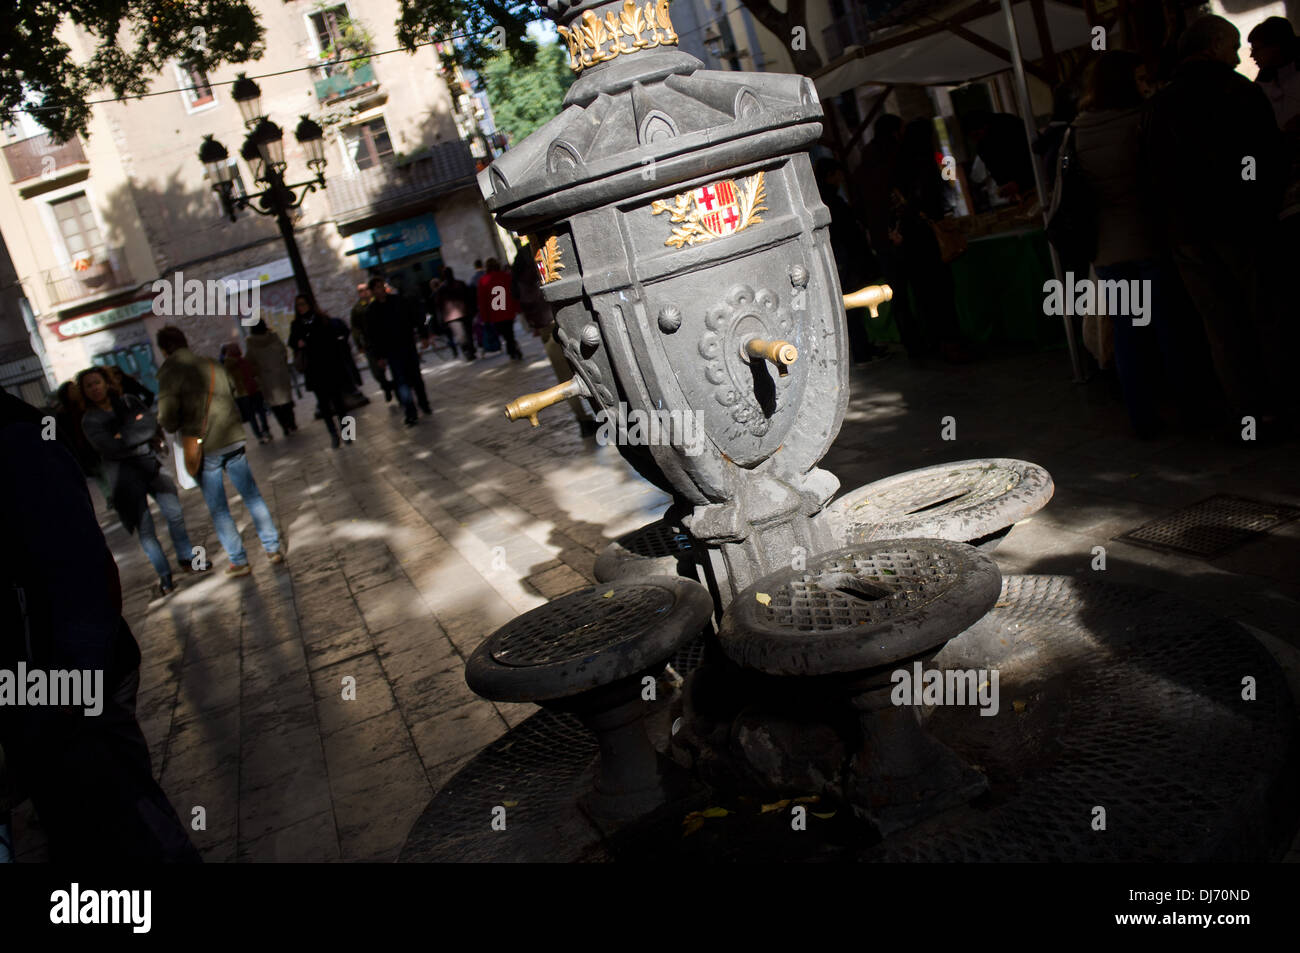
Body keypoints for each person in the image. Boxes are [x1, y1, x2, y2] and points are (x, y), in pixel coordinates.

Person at [0, 389, 201, 862]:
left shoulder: (15, 438)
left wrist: (70, 685)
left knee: (127, 814)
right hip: (35, 689)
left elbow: (81, 571)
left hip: (63, 684)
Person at [1142, 14, 1286, 424]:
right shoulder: (1237, 91)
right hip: (1241, 223)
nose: (1239, 54)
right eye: (1233, 44)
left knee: (1221, 325)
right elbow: (1265, 157)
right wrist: (1263, 205)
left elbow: (1152, 174)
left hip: (1187, 231)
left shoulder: (1160, 103)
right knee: (1264, 316)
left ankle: (1250, 414)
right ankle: (1281, 405)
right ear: (1213, 45)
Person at [1074, 51, 1204, 437]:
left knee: (1128, 334)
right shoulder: (1144, 119)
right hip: (1151, 240)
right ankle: (1191, 410)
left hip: (1108, 249)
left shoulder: (1077, 130)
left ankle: (1142, 418)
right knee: (1171, 329)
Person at [155, 325, 283, 576]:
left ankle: (239, 560)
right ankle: (273, 548)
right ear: (184, 342)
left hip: (204, 446)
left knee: (219, 508)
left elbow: (168, 420)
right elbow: (233, 390)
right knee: (252, 495)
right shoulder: (211, 363)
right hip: (232, 437)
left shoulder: (169, 374)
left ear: (164, 349)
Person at [79, 366, 204, 597]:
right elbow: (109, 447)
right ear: (84, 392)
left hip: (151, 468)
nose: (94, 388)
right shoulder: (90, 420)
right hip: (126, 479)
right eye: (88, 386)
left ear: (106, 382)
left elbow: (149, 426)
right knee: (146, 530)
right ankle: (165, 576)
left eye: (97, 382)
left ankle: (187, 557)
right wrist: (134, 436)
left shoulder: (128, 401)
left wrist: (124, 437)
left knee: (175, 513)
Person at [888, 118, 970, 363]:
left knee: (924, 295)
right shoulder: (925, 164)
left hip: (911, 241)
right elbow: (936, 199)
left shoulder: (898, 164)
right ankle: (951, 343)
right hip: (928, 237)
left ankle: (935, 342)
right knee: (941, 292)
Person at [815, 157, 885, 365]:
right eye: (837, 173)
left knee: (852, 306)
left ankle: (861, 348)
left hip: (842, 259)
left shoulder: (827, 199)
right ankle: (861, 350)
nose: (841, 178)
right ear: (830, 176)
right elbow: (846, 232)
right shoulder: (832, 201)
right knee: (852, 306)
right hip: (844, 259)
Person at [288, 295, 355, 449]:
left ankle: (348, 433)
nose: (301, 307)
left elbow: (335, 338)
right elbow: (292, 342)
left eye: (303, 304)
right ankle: (333, 434)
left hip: (330, 366)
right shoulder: (297, 324)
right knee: (324, 406)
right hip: (314, 370)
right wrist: (298, 343)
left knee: (339, 403)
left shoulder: (322, 319)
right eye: (298, 305)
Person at [367, 276, 432, 426]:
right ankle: (411, 412)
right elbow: (372, 336)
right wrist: (379, 357)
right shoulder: (371, 311)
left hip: (407, 345)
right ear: (372, 291)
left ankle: (424, 403)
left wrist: (424, 335)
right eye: (376, 288)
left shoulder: (399, 301)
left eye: (380, 286)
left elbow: (415, 318)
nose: (380, 290)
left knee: (416, 377)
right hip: (391, 351)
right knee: (401, 381)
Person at [964, 110, 1036, 201]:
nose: (977, 139)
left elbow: (1030, 155)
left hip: (1038, 180)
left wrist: (1019, 183)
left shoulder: (1009, 125)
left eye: (977, 134)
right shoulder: (983, 146)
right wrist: (1005, 186)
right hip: (1022, 192)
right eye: (973, 138)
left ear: (985, 126)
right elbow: (996, 171)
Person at [245, 320, 297, 437]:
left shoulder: (251, 343)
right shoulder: (274, 337)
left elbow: (250, 360)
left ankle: (284, 426)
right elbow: (283, 352)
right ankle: (291, 422)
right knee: (286, 400)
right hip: (280, 374)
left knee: (274, 404)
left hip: (265, 377)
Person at [221, 341, 271, 445]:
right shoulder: (244, 361)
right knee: (261, 411)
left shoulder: (227, 366)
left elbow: (228, 381)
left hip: (242, 393)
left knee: (251, 416)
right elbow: (254, 372)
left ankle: (259, 436)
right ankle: (266, 430)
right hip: (254, 389)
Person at [350, 283, 393, 402]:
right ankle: (387, 386)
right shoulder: (357, 309)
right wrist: (359, 343)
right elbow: (355, 328)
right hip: (370, 344)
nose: (363, 293)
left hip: (385, 340)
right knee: (377, 372)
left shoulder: (378, 303)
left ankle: (397, 388)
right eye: (360, 291)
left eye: (365, 290)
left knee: (394, 367)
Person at [477, 257, 523, 360]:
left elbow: (482, 300)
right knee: (509, 332)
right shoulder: (506, 276)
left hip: (496, 312)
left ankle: (512, 349)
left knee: (505, 333)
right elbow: (513, 293)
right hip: (507, 310)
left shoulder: (483, 280)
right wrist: (517, 307)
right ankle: (512, 348)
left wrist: (485, 317)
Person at [434, 267, 477, 361]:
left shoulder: (448, 287)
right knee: (464, 334)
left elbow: (438, 305)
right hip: (457, 314)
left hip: (457, 314)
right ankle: (468, 350)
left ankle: (469, 350)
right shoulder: (446, 288)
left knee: (464, 334)